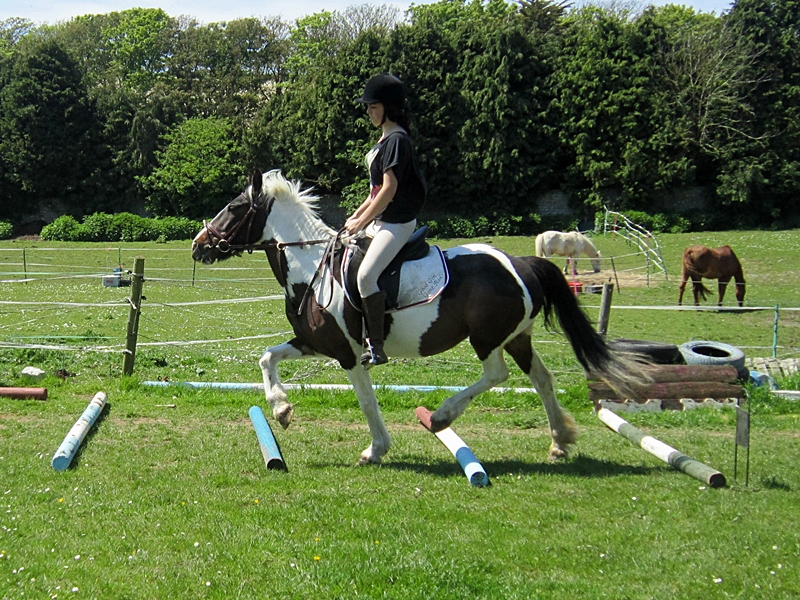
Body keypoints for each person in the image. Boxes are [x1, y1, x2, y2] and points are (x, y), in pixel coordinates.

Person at [344, 73, 427, 368]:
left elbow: (389, 190)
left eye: (373, 106)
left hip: (397, 223)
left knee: (366, 276)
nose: (368, 111)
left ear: (389, 108)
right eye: (368, 107)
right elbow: (375, 192)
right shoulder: (383, 140)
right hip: (380, 221)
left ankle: (376, 346)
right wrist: (356, 216)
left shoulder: (396, 140)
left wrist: (362, 221)